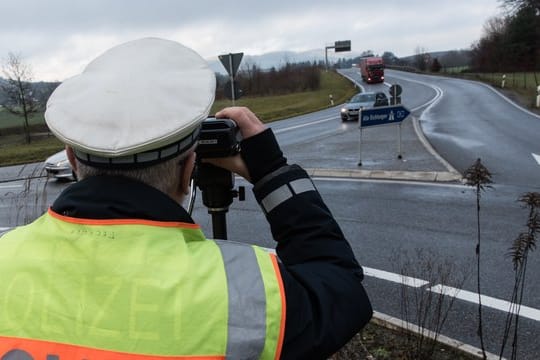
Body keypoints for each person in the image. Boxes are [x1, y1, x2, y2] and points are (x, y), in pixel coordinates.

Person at [0, 38, 372, 359]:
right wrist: (272, 171)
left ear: (71, 159)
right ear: (187, 167)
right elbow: (340, 285)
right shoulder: (245, 298)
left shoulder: (6, 258)